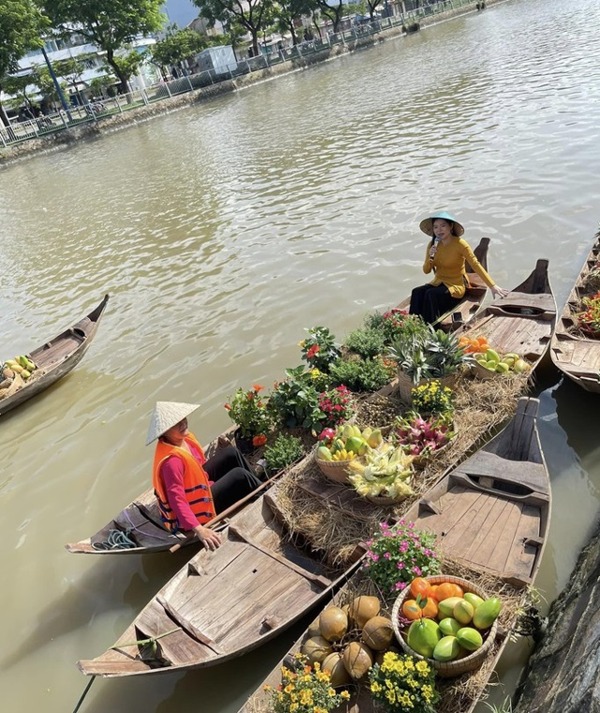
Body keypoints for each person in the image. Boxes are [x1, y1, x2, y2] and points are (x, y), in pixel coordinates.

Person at [147, 401, 264, 550]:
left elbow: (198, 466)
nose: (183, 424)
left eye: (183, 419)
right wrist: (199, 529)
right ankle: (262, 492)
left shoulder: (184, 439)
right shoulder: (172, 462)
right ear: (164, 433)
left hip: (201, 486)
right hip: (196, 511)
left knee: (231, 453)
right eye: (175, 424)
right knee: (240, 476)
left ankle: (257, 485)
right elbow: (177, 500)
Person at [409, 211, 508, 324]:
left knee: (431, 294)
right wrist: (431, 256)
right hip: (438, 282)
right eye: (435, 227)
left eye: (443, 226)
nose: (439, 230)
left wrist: (492, 286)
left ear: (450, 227)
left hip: (456, 285)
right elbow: (426, 271)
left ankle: (431, 328)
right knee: (417, 292)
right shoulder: (432, 245)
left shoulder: (460, 244)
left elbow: (475, 264)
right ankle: (412, 325)